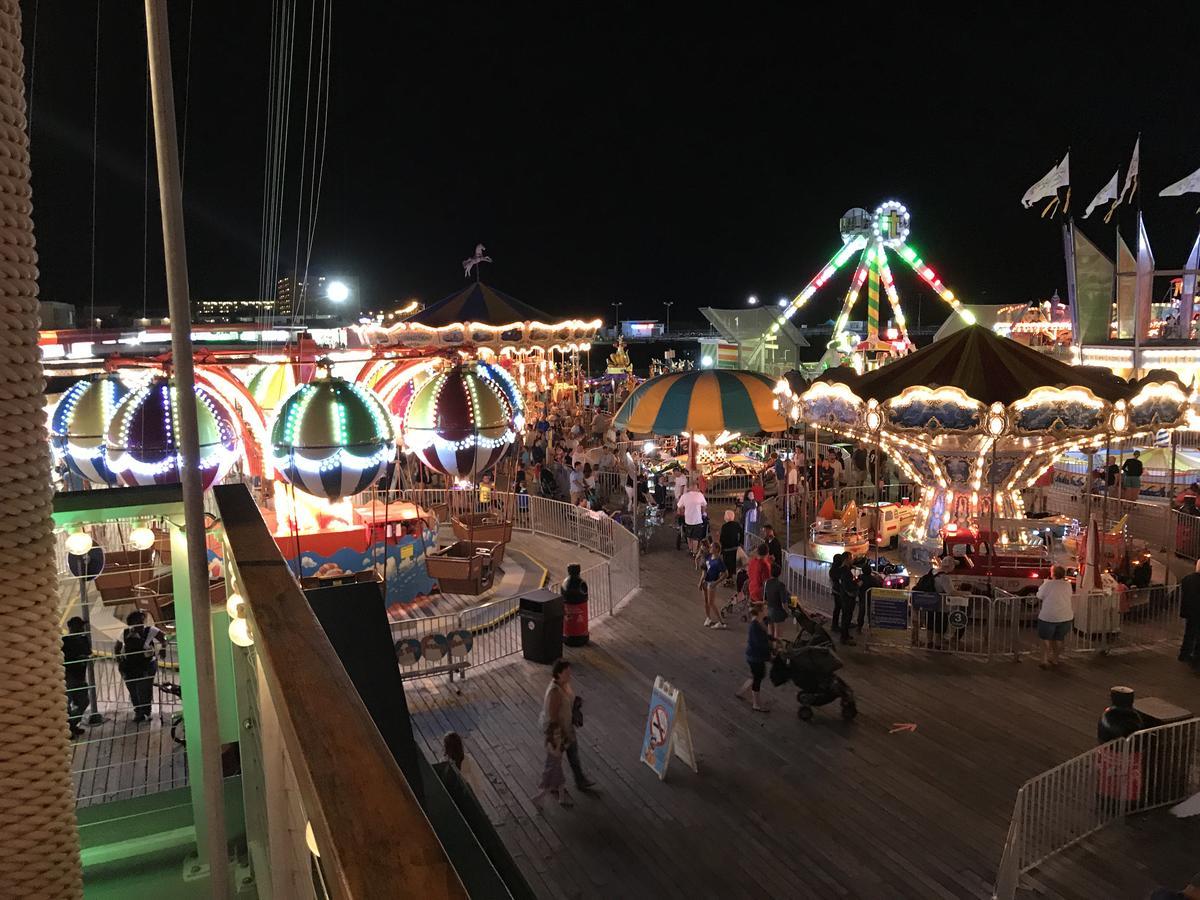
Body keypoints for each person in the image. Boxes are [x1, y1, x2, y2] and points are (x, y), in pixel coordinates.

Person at [540, 659, 594, 791]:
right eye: (566, 672)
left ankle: (579, 780)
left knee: (572, 755)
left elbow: (569, 700)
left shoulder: (565, 684)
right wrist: (559, 735)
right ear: (558, 674)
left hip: (567, 726)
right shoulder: (554, 692)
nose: (570, 674)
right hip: (558, 731)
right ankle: (551, 785)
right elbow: (553, 716)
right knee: (554, 760)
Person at [115, 610, 165, 722]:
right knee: (133, 690)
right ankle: (139, 711)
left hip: (147, 666)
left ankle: (146, 712)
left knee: (144, 689)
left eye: (142, 621)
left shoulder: (150, 631)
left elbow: (164, 637)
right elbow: (117, 648)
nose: (141, 624)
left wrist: (163, 647)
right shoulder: (124, 633)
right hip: (129, 667)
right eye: (137, 621)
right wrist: (120, 663)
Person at [1035, 565, 1074, 669]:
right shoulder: (1067, 585)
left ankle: (1044, 660)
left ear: (1053, 573)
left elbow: (1039, 595)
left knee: (1045, 638)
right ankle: (1055, 658)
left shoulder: (1048, 584)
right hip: (1065, 616)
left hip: (1049, 616)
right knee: (1059, 639)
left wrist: (1044, 583)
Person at [735, 604, 772, 712]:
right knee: (758, 678)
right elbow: (758, 643)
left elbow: (764, 637)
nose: (767, 610)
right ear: (760, 611)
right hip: (755, 657)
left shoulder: (760, 622)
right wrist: (770, 649)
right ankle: (756, 704)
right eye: (765, 609)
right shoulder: (754, 626)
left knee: (755, 675)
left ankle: (741, 692)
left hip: (754, 655)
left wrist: (772, 639)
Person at [62, 616, 91, 738]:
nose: (81, 628)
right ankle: (68, 729)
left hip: (80, 676)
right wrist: (77, 658)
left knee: (84, 701)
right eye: (78, 626)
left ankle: (72, 725)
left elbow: (88, 652)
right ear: (71, 628)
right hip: (68, 677)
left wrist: (86, 657)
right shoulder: (64, 641)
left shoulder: (84, 639)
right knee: (66, 705)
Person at [531, 721, 572, 809]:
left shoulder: (558, 742)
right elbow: (556, 754)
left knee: (561, 783)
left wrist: (566, 743)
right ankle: (536, 799)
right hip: (552, 769)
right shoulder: (550, 744)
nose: (558, 736)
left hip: (557, 768)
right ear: (551, 734)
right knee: (548, 788)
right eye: (556, 734)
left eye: (560, 733)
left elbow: (563, 749)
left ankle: (562, 800)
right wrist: (559, 744)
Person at [442, 731, 488, 797]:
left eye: (446, 745)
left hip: (465, 794)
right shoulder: (444, 761)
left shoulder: (468, 761)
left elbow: (478, 784)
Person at [698, 544, 727, 628]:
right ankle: (708, 617)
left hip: (712, 582)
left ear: (717, 549)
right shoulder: (709, 556)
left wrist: (716, 582)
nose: (710, 548)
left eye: (712, 547)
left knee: (711, 603)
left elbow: (725, 574)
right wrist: (701, 581)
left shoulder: (719, 561)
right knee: (706, 601)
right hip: (706, 581)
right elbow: (705, 570)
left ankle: (721, 622)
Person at [1179, 558, 1200, 669]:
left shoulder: (1187, 579)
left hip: (1189, 611)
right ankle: (1195, 657)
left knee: (1189, 633)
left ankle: (1184, 653)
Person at [677, 481, 708, 554]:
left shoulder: (684, 496)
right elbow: (704, 506)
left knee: (689, 535)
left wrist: (683, 512)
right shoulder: (700, 495)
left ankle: (690, 549)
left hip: (688, 519)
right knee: (695, 537)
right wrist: (703, 513)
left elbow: (679, 507)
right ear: (696, 487)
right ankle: (694, 551)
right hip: (697, 519)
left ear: (688, 488)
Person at [763, 563, 788, 639]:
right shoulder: (781, 585)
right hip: (778, 611)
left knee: (770, 632)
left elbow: (765, 598)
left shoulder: (767, 583)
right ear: (779, 573)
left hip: (769, 610)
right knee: (778, 632)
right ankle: (776, 648)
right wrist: (787, 611)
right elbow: (783, 602)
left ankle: (770, 647)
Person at [855, 558, 881, 633]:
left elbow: (857, 584)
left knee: (861, 613)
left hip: (862, 598)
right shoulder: (873, 579)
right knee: (870, 613)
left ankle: (859, 627)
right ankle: (871, 628)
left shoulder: (860, 577)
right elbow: (878, 586)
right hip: (870, 598)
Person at [719, 509, 743, 586]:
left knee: (727, 565)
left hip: (727, 549)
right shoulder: (737, 525)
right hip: (735, 548)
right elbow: (741, 535)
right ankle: (731, 578)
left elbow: (722, 539)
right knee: (733, 564)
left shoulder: (724, 527)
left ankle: (728, 579)